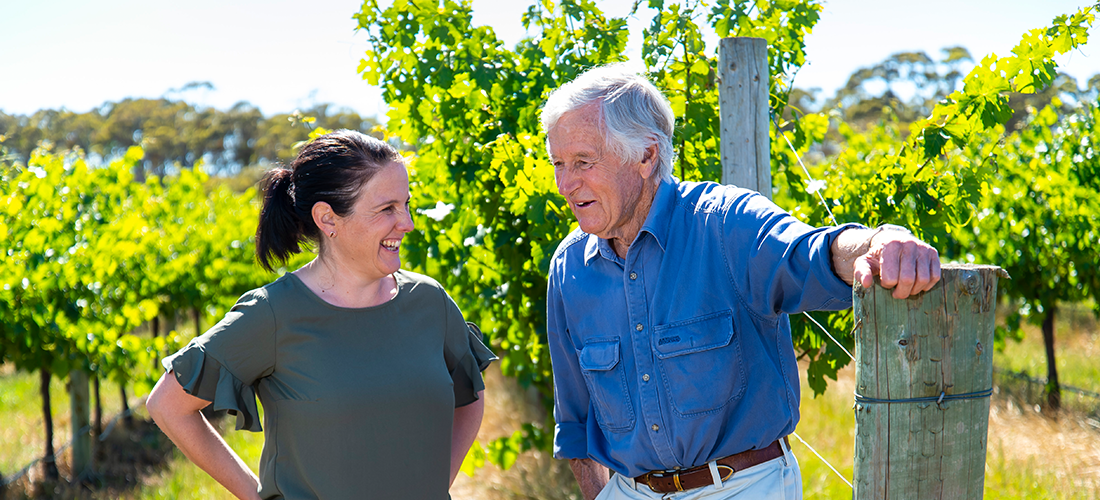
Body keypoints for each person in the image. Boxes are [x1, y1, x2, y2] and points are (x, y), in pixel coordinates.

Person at [541, 65, 941, 500]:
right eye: (559, 164)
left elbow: (811, 254)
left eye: (583, 161)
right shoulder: (569, 269)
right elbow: (576, 422)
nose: (565, 184)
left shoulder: (725, 224)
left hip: (741, 487)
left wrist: (879, 243)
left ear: (645, 156)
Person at [146, 130, 496, 500]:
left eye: (406, 204)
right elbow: (168, 405)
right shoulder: (273, 313)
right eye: (387, 209)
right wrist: (257, 496)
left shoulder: (429, 301)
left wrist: (434, 485)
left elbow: (470, 395)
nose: (407, 222)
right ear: (328, 219)